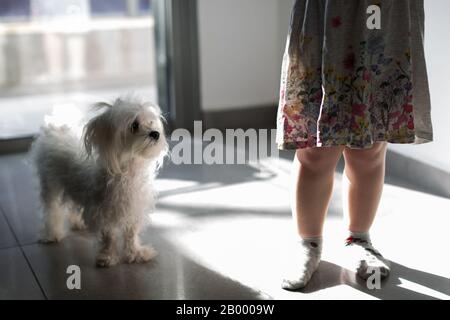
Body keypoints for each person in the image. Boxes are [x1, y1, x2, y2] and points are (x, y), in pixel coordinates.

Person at [276, 0, 433, 290]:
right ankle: (308, 244)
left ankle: (359, 238)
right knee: (315, 148)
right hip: (326, 12)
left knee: (370, 148)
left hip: (389, 13)